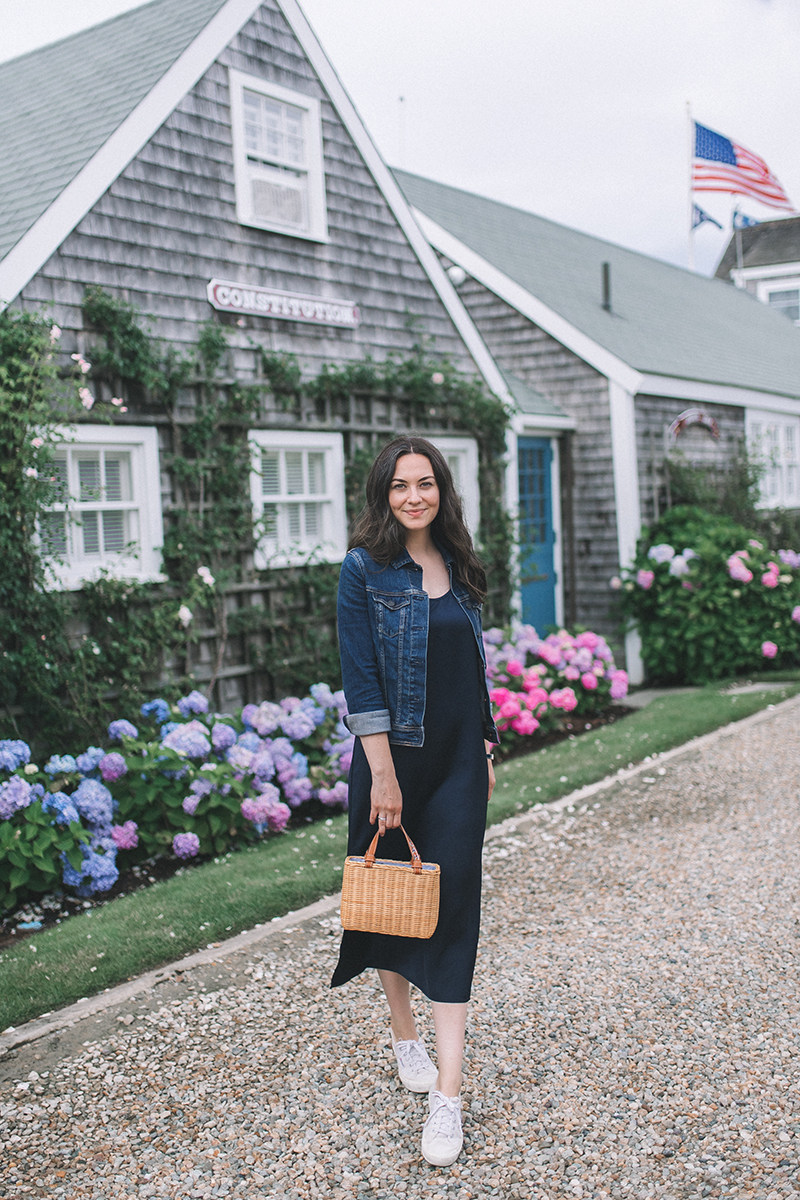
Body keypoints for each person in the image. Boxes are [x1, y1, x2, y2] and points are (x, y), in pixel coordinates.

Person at [331, 435, 498, 1167]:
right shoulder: (364, 569)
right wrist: (385, 777)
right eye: (400, 486)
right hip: (390, 765)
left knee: (455, 908)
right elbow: (361, 682)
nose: (413, 497)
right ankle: (405, 1033)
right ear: (383, 494)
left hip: (461, 766)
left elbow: (473, 662)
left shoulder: (458, 562)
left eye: (425, 483)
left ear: (441, 490)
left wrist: (487, 746)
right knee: (392, 899)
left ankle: (449, 1095)